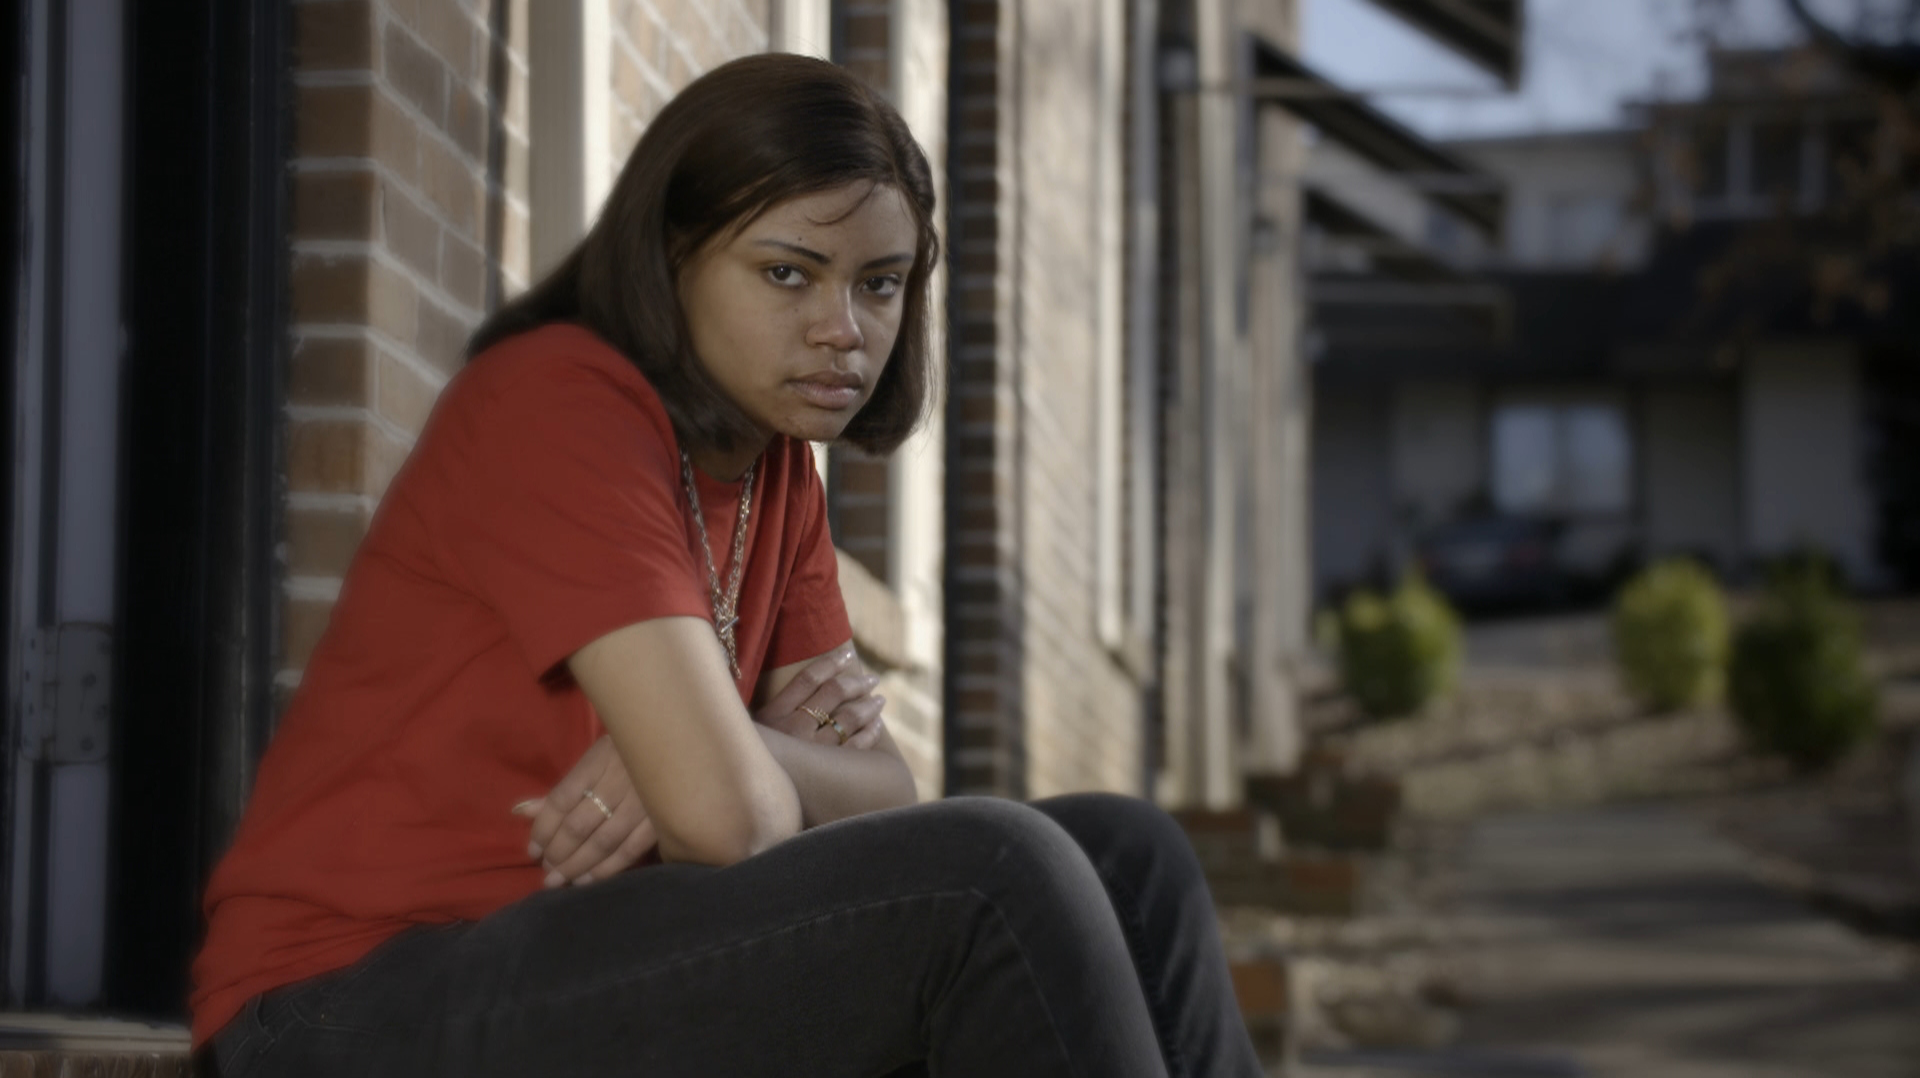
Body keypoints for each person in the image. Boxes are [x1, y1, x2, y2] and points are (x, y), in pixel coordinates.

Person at [192, 53, 1263, 1077]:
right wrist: (718, 766)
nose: (843, 329)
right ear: (671, 257)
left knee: (1129, 858)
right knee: (995, 876)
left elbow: (883, 794)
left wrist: (729, 746)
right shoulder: (559, 404)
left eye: (880, 284)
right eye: (788, 273)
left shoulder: (776, 470)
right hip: (352, 999)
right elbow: (728, 819)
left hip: (601, 952)